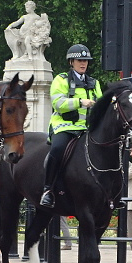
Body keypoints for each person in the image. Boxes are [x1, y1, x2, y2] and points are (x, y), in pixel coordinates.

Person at [40, 44, 102, 208]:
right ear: (71, 62)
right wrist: (80, 102)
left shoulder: (94, 83)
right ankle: (48, 190)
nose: (83, 64)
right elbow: (58, 103)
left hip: (87, 129)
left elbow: (101, 105)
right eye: (79, 60)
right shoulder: (61, 80)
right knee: (57, 149)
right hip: (64, 127)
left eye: (86, 61)